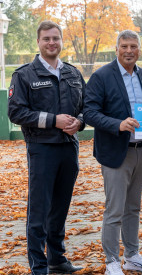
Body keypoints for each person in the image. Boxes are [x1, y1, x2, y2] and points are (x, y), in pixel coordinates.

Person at [7, 20, 85, 275]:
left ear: (61, 41)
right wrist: (54, 120)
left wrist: (80, 123)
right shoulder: (24, 75)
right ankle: (38, 266)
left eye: (56, 38)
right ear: (38, 42)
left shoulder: (73, 73)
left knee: (60, 207)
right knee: (39, 210)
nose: (52, 43)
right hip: (41, 150)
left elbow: (86, 107)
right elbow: (16, 112)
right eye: (46, 39)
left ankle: (56, 259)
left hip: (68, 148)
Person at [83, 30, 142, 275]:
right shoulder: (101, 76)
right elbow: (90, 113)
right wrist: (117, 124)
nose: (129, 51)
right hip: (116, 152)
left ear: (139, 49)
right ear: (116, 48)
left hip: (140, 149)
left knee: (133, 207)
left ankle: (132, 256)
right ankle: (111, 262)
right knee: (114, 209)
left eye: (133, 46)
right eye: (124, 46)